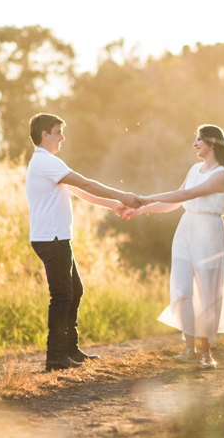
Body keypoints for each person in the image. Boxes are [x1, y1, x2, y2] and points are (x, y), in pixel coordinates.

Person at [124, 124, 224, 368]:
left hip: (209, 232)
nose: (194, 144)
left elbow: (184, 196)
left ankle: (206, 353)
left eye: (199, 140)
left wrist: (148, 197)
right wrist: (141, 209)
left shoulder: (222, 174)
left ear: (212, 143)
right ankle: (188, 348)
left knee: (207, 291)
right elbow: (175, 202)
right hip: (186, 228)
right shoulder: (194, 169)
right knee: (182, 291)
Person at [26, 113, 139, 372]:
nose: (62, 137)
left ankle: (69, 349)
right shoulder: (46, 162)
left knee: (74, 291)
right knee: (62, 295)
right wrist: (122, 194)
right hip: (52, 239)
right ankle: (56, 356)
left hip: (56, 238)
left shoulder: (46, 164)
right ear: (44, 135)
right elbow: (87, 182)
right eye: (58, 132)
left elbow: (79, 190)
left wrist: (114, 204)